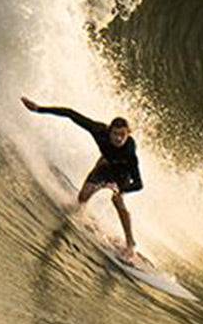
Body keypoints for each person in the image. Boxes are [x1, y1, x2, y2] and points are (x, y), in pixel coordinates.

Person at [21, 97, 144, 264]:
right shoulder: (99, 131)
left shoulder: (129, 152)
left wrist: (121, 189)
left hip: (122, 174)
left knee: (117, 201)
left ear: (128, 134)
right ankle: (80, 211)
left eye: (122, 135)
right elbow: (71, 114)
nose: (118, 139)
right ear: (109, 131)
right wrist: (39, 109)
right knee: (83, 196)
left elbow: (139, 184)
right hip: (106, 165)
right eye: (115, 134)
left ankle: (131, 244)